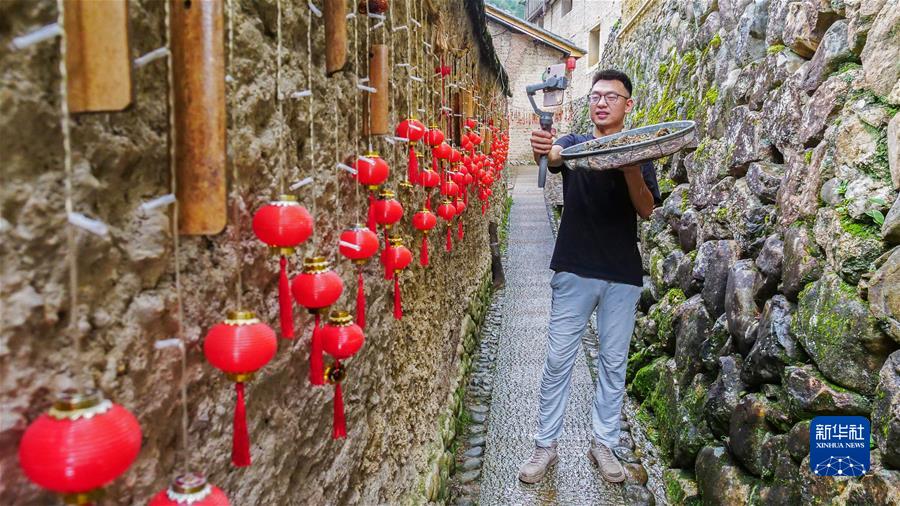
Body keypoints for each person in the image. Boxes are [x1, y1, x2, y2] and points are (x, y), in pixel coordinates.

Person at [518, 69, 661, 484]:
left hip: (621, 273)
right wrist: (546, 150)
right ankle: (545, 444)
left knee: (614, 364)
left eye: (611, 97)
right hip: (575, 268)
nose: (601, 102)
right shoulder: (576, 143)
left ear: (627, 105)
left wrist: (629, 166)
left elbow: (647, 210)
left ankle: (603, 443)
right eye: (596, 95)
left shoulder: (640, 149)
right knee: (558, 360)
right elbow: (556, 155)